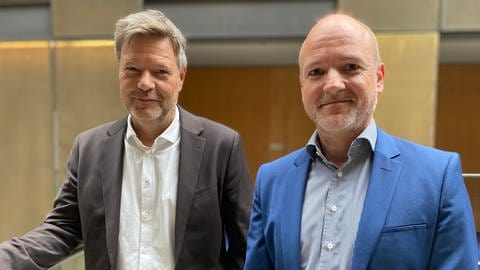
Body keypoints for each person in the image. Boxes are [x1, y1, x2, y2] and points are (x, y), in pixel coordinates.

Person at [0, 9, 252, 270]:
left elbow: (243, 245)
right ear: (119, 72)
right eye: (132, 69)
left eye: (160, 72)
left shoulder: (221, 146)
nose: (144, 83)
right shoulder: (89, 149)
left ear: (181, 76)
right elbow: (63, 229)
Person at [244, 13, 478, 270]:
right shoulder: (271, 181)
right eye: (316, 72)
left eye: (350, 67)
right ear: (301, 85)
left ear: (378, 77)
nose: (332, 84)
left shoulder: (437, 176)